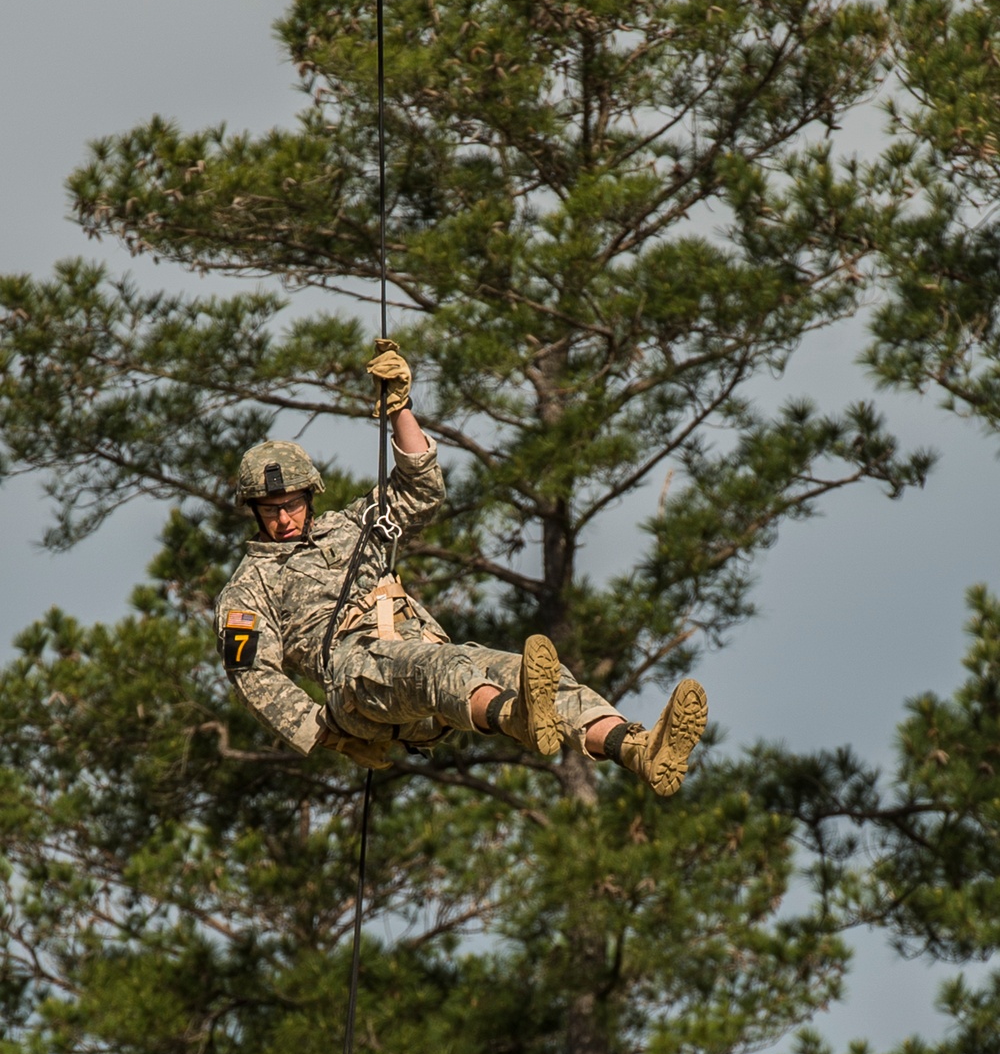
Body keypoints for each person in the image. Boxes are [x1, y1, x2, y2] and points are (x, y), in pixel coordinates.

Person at [215, 341, 707, 796]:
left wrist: (398, 410)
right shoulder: (250, 587)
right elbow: (254, 676)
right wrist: (326, 733)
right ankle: (517, 715)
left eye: (293, 503)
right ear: (253, 510)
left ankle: (636, 749)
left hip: (427, 664)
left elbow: (419, 490)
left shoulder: (354, 525)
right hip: (358, 681)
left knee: (531, 673)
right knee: (443, 667)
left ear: (310, 496)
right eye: (270, 508)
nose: (283, 517)